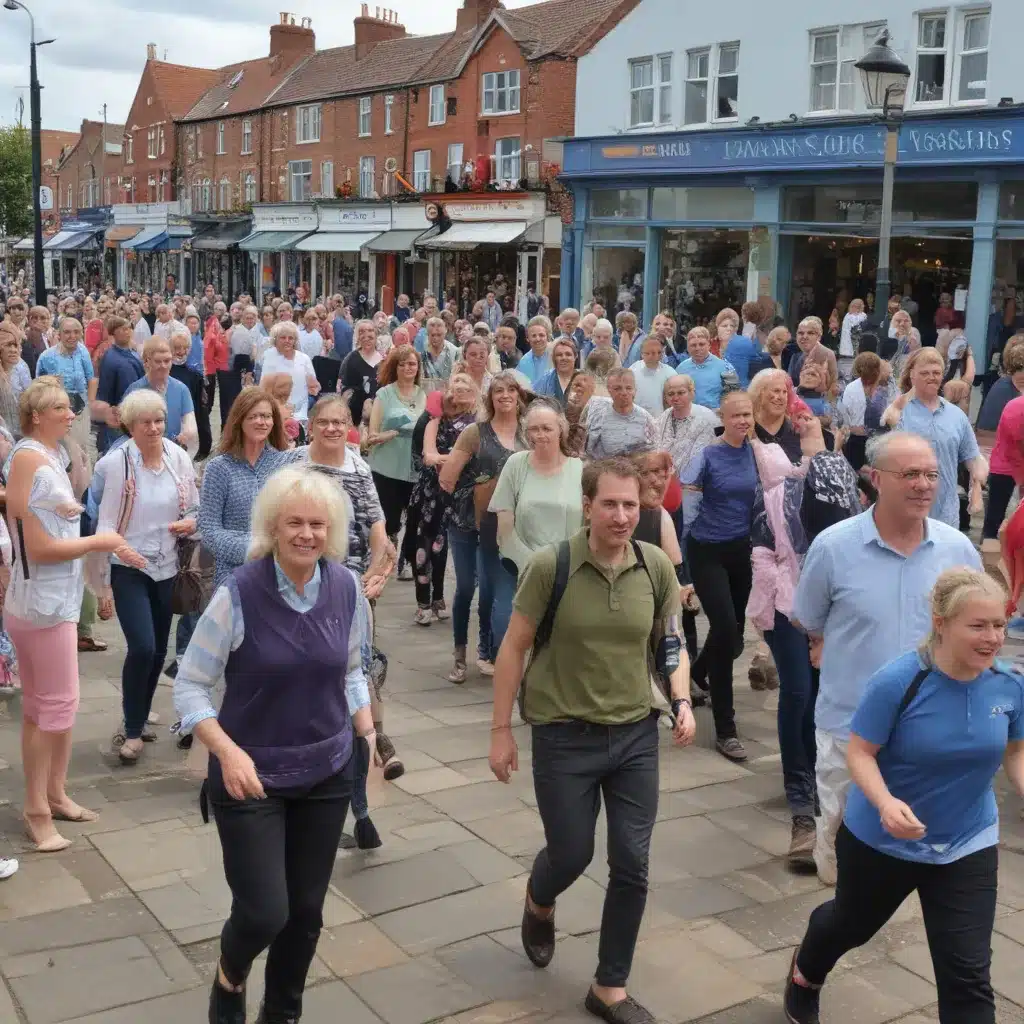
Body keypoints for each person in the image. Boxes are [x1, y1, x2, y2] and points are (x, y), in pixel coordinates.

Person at [489, 457, 695, 1024]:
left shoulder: (654, 566)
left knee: (632, 863)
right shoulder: (550, 567)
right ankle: (540, 895)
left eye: (631, 505)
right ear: (587, 506)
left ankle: (609, 986)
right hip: (563, 736)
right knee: (572, 852)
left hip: (634, 734)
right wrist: (501, 730)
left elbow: (669, 642)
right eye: (610, 504)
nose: (623, 515)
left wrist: (679, 699)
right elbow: (514, 647)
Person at [174, 467, 378, 1024]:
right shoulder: (239, 592)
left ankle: (283, 1010)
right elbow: (190, 684)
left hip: (327, 770)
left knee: (306, 912)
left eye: (317, 524)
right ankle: (230, 976)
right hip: (251, 775)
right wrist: (226, 750)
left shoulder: (346, 587)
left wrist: (366, 728)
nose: (307, 534)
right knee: (265, 911)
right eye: (295, 523)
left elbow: (353, 669)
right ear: (273, 526)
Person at [786, 568, 1020, 1024]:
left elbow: (1016, 753)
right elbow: (860, 754)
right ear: (941, 623)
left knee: (967, 974)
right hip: (882, 840)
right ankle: (805, 974)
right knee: (850, 926)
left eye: (1000, 624)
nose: (992, 637)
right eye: (978, 625)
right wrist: (886, 803)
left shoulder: (1010, 685)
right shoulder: (899, 681)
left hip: (966, 842)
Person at [793, 432, 982, 886]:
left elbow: (974, 626)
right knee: (838, 838)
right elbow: (809, 619)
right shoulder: (834, 547)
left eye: (931, 475)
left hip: (929, 727)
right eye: (909, 474)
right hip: (849, 722)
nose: (923, 485)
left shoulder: (957, 551)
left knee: (916, 838)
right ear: (876, 478)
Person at [6, 378, 141, 851]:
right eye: (61, 408)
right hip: (41, 605)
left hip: (52, 602)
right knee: (53, 708)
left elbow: (29, 516)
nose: (70, 414)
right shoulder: (27, 457)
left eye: (69, 407)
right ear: (36, 415)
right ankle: (36, 810)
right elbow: (34, 547)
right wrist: (99, 542)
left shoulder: (48, 457)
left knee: (49, 708)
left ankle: (54, 793)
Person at [86, 390, 198, 765]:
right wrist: (103, 582)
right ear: (130, 426)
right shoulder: (115, 464)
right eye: (145, 422)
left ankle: (138, 714)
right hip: (128, 567)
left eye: (159, 421)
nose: (153, 428)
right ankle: (132, 731)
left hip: (169, 567)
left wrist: (190, 522)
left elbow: (196, 508)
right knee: (144, 647)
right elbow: (103, 522)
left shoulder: (178, 457)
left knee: (159, 651)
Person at [681, 390, 758, 763]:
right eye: (736, 416)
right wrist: (683, 563)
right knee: (727, 633)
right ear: (723, 419)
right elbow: (688, 502)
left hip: (740, 550)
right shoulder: (709, 456)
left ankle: (694, 673)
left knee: (734, 629)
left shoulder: (757, 453)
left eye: (747, 414)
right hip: (706, 548)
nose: (743, 421)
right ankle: (726, 730)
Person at [440, 372, 528, 682]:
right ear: (490, 398)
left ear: (518, 396)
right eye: (498, 391)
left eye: (510, 390)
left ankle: (489, 651)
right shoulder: (475, 433)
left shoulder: (528, 434)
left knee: (493, 592)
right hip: (466, 523)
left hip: (505, 527)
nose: (504, 395)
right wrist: (480, 490)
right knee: (466, 587)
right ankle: (460, 654)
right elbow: (447, 479)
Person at [489, 401, 584, 645]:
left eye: (547, 428)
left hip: (568, 568)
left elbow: (587, 527)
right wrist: (532, 565)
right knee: (508, 632)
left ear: (560, 430)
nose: (540, 435)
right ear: (525, 432)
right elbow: (505, 524)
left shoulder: (580, 470)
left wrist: (560, 567)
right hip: (520, 565)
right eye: (534, 429)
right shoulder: (516, 464)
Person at [200, 387, 294, 593]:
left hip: (278, 576)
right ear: (239, 419)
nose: (262, 422)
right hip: (231, 577)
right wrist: (252, 548)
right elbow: (208, 529)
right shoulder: (219, 467)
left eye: (267, 416)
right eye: (254, 416)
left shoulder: (284, 464)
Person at [881, 348, 985, 530]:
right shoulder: (898, 412)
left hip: (947, 516)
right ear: (912, 375)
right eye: (924, 373)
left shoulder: (956, 416)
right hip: (907, 512)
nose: (932, 377)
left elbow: (974, 458)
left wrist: (976, 486)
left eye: (936, 373)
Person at [411, 374, 478, 626]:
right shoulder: (435, 418)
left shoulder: (477, 423)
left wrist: (449, 460)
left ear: (473, 393)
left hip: (460, 494)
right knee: (424, 546)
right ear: (448, 390)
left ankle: (438, 597)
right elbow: (428, 455)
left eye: (465, 385)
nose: (460, 389)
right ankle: (422, 602)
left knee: (443, 546)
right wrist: (454, 461)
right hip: (432, 492)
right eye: (456, 384)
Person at [366, 345, 426, 579]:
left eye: (412, 364)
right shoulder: (384, 394)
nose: (407, 368)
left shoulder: (424, 394)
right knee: (389, 519)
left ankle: (408, 560)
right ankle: (387, 555)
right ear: (395, 367)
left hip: (415, 466)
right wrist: (390, 433)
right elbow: (372, 436)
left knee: (415, 517)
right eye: (402, 364)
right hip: (387, 466)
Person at [122, 337, 198, 455]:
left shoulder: (181, 389)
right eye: (158, 361)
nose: (163, 366)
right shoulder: (134, 391)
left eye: (167, 361)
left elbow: (189, 420)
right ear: (147, 362)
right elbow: (126, 427)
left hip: (171, 451)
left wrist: (187, 432)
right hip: (142, 451)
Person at [35, 317, 96, 453]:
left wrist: (90, 404)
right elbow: (37, 387)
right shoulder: (47, 357)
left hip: (81, 412)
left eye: (76, 332)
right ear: (59, 334)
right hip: (57, 412)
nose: (72, 336)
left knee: (81, 450)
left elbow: (91, 378)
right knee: (63, 451)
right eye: (67, 332)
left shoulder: (82, 351)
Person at [94, 315, 145, 455]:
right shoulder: (110, 358)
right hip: (119, 412)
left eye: (129, 328)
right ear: (113, 332)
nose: (127, 332)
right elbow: (105, 391)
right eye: (123, 329)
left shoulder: (134, 353)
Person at [260, 322, 320, 437]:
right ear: (275, 339)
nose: (287, 340)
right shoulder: (269, 357)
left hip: (299, 412)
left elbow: (314, 385)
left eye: (291, 338)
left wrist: (314, 386)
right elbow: (264, 388)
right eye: (283, 337)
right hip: (276, 411)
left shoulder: (304, 359)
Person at [583, 368, 656, 459]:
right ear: (609, 390)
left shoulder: (646, 418)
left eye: (628, 388)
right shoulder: (598, 415)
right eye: (617, 388)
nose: (624, 393)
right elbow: (589, 452)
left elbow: (654, 450)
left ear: (635, 390)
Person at [676, 326, 735, 410]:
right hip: (689, 416)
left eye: (701, 344)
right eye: (693, 345)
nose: (697, 348)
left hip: (715, 417)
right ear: (688, 348)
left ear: (709, 345)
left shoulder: (725, 367)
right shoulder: (680, 369)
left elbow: (734, 395)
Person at [339, 320, 384, 427]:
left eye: (370, 330)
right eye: (362, 332)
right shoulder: (351, 359)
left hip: (379, 416)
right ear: (358, 337)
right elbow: (346, 390)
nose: (366, 335)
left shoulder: (384, 360)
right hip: (356, 417)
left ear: (376, 334)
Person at [630, 336, 676, 416]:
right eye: (648, 353)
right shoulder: (634, 369)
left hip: (660, 418)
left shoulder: (670, 373)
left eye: (659, 352)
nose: (654, 356)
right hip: (636, 417)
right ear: (642, 354)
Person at [534, 338, 578, 406]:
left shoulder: (583, 379)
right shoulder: (545, 380)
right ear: (554, 358)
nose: (563, 358)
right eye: (559, 355)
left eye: (568, 354)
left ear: (575, 357)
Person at [518, 316, 554, 387]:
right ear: (528, 338)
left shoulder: (555, 355)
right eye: (534, 336)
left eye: (541, 335)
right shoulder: (524, 361)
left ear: (548, 336)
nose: (537, 339)